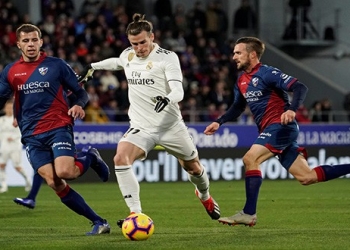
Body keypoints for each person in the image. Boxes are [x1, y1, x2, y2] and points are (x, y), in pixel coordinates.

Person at [78, 13, 221, 226]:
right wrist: (93, 66)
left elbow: (178, 91)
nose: (139, 48)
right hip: (141, 127)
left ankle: (205, 196)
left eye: (143, 42)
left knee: (194, 169)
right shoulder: (129, 55)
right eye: (134, 44)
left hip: (170, 126)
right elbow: (117, 62)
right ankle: (135, 214)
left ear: (152, 37)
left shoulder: (167, 57)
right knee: (120, 158)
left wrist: (168, 98)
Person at [204, 37, 350, 227]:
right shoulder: (241, 80)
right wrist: (219, 121)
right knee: (307, 177)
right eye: (234, 53)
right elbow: (238, 107)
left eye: (238, 53)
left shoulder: (267, 73)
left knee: (251, 159)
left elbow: (300, 87)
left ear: (252, 54)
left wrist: (291, 110)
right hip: (272, 129)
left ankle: (249, 213)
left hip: (281, 126)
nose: (234, 57)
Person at [0, 23, 111, 235]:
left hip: (58, 126)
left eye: (34, 40)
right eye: (26, 41)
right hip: (31, 135)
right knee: (53, 181)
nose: (30, 44)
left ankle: (91, 157)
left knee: (65, 172)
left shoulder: (56, 65)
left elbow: (81, 93)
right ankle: (99, 222)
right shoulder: (11, 71)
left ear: (41, 42)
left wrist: (78, 104)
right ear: (18, 44)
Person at [0, 99, 32, 193]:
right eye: (7, 107)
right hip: (4, 146)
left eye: (11, 107)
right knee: (1, 165)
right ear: (5, 108)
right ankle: (4, 186)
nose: (9, 109)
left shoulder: (18, 119)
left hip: (15, 146)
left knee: (17, 166)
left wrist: (13, 138)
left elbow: (22, 133)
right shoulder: (1, 120)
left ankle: (28, 181)